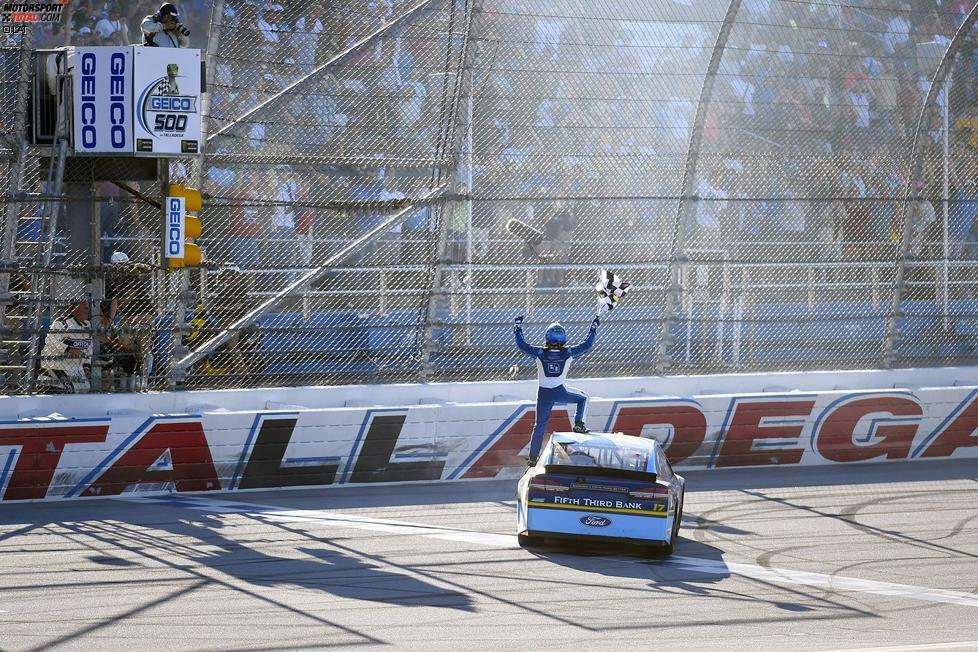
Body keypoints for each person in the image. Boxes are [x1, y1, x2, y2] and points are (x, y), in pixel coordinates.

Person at [513, 315, 600, 465]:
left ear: (547, 337)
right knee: (583, 398)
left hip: (544, 394)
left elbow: (523, 346)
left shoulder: (540, 353)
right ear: (564, 339)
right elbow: (586, 345)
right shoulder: (568, 353)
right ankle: (579, 424)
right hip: (560, 391)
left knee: (539, 425)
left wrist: (518, 328)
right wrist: (593, 328)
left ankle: (533, 458)